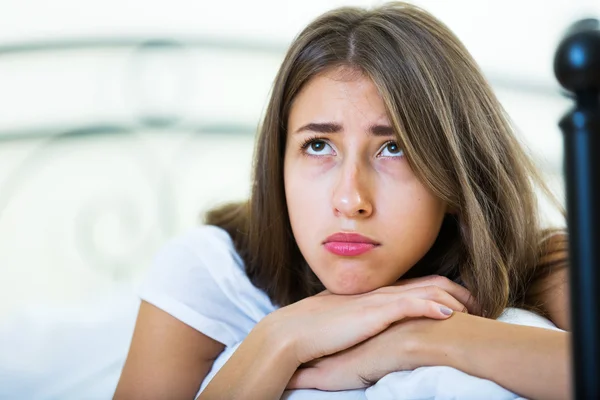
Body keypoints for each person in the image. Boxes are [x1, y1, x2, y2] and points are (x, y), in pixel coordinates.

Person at [114, 2, 571, 399]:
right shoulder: (215, 272)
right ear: (279, 167)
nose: (351, 199)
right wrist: (279, 338)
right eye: (318, 146)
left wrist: (422, 339)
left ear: (454, 177)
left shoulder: (534, 264)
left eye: (396, 149)